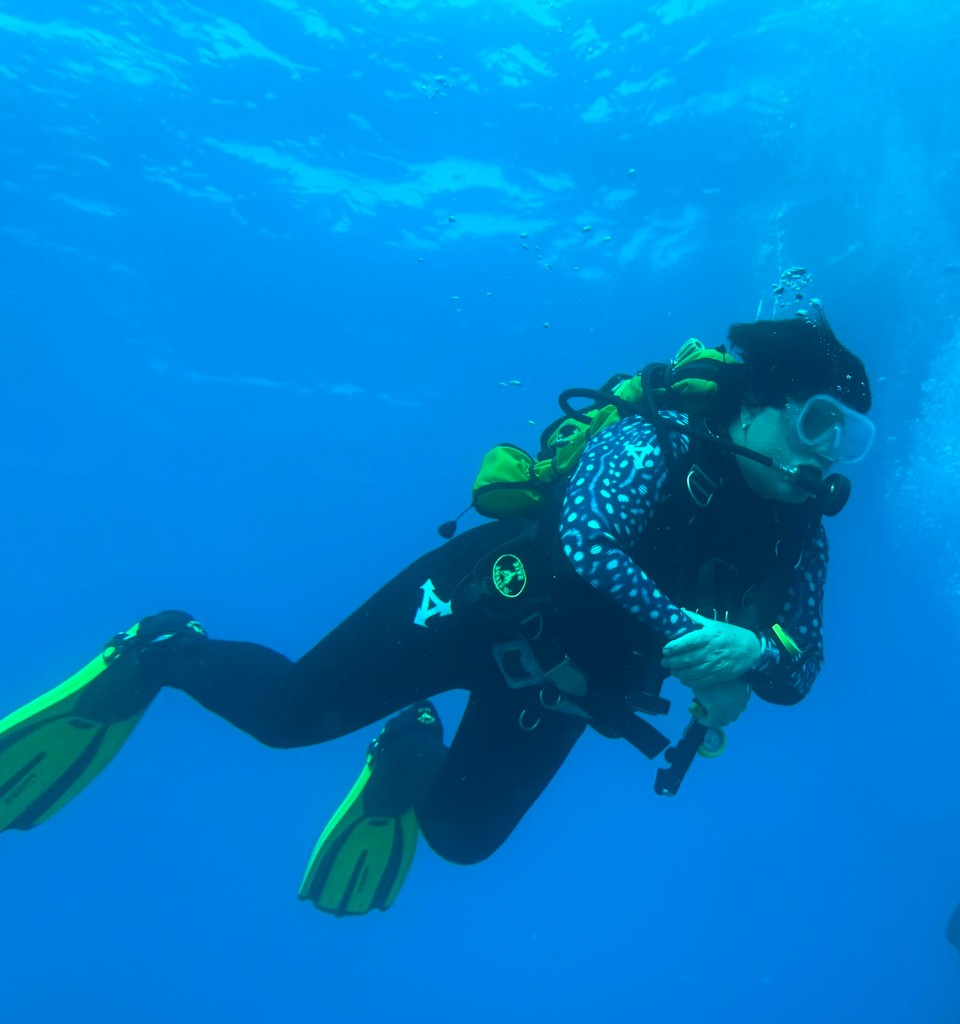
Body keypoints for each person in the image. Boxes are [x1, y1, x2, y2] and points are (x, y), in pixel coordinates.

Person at [0, 287, 875, 916]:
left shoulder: (801, 534)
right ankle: (159, 650)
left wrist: (756, 656)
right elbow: (583, 545)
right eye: (817, 422)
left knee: (460, 836)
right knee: (289, 715)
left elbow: (806, 665)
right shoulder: (655, 442)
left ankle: (406, 756)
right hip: (475, 604)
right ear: (759, 403)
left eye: (848, 439)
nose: (825, 456)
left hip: (570, 687)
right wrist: (698, 635)